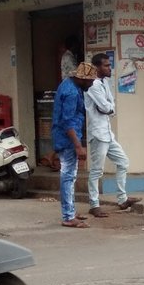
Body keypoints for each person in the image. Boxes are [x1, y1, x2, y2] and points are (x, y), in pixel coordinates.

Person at [85, 53, 142, 218]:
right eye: (106, 65)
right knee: (97, 170)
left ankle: (122, 199)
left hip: (107, 132)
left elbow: (112, 106)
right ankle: (94, 205)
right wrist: (109, 108)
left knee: (123, 162)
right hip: (98, 132)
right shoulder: (93, 85)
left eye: (109, 65)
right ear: (97, 67)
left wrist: (110, 107)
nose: (109, 68)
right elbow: (105, 107)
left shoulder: (104, 82)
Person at [52, 62, 98, 228]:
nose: (92, 83)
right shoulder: (71, 92)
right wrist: (78, 146)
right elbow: (67, 122)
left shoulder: (68, 84)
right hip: (68, 140)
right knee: (68, 176)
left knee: (70, 176)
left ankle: (70, 210)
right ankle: (68, 216)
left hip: (66, 137)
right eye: (90, 81)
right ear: (82, 80)